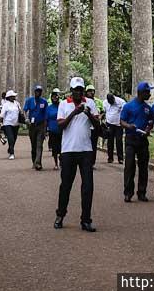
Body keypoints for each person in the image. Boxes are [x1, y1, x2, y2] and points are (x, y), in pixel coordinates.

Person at [54, 77, 99, 232]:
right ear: (71, 91)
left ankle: (86, 220)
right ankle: (60, 215)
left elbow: (97, 125)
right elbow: (60, 126)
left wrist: (88, 114)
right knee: (65, 185)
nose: (78, 92)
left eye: (81, 89)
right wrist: (74, 112)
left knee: (88, 186)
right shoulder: (63, 104)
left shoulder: (90, 103)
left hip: (86, 150)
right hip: (68, 150)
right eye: (76, 89)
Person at [120, 82, 153, 202]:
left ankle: (142, 192)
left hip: (142, 140)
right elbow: (122, 121)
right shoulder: (128, 106)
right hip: (130, 139)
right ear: (141, 93)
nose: (149, 94)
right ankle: (128, 193)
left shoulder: (148, 108)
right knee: (129, 166)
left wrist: (148, 130)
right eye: (147, 92)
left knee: (143, 167)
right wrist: (129, 126)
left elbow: (150, 122)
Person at [23, 84, 48, 170]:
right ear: (34, 92)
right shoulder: (29, 100)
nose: (38, 93)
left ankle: (38, 163)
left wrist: (45, 127)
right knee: (33, 145)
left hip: (41, 125)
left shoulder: (44, 102)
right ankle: (34, 161)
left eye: (40, 91)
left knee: (39, 144)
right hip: (32, 125)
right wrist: (26, 119)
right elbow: (25, 110)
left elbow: (46, 115)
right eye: (37, 91)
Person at [103, 92, 126, 164]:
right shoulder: (105, 103)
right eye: (109, 101)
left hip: (119, 125)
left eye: (112, 101)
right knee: (110, 142)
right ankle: (110, 158)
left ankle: (120, 158)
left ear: (114, 98)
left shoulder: (121, 102)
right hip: (109, 124)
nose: (111, 103)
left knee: (119, 141)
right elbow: (104, 111)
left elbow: (125, 112)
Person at [85, 85, 104, 166]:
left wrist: (101, 116)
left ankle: (92, 162)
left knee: (93, 145)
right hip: (86, 126)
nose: (91, 92)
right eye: (89, 91)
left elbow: (103, 111)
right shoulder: (84, 101)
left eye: (93, 91)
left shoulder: (98, 101)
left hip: (95, 126)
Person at [0, 90, 21, 159]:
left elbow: (20, 112)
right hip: (8, 124)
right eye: (13, 96)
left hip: (16, 124)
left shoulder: (17, 103)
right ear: (9, 97)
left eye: (14, 96)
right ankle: (12, 153)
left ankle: (10, 148)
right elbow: (2, 115)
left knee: (14, 139)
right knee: (10, 138)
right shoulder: (5, 105)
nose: (14, 97)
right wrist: (0, 124)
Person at [47, 89, 62, 170]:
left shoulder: (62, 105)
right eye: (53, 97)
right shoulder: (49, 108)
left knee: (62, 147)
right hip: (52, 130)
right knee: (55, 148)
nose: (54, 98)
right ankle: (56, 163)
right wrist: (45, 129)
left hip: (62, 129)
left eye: (56, 96)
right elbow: (46, 119)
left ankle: (61, 161)